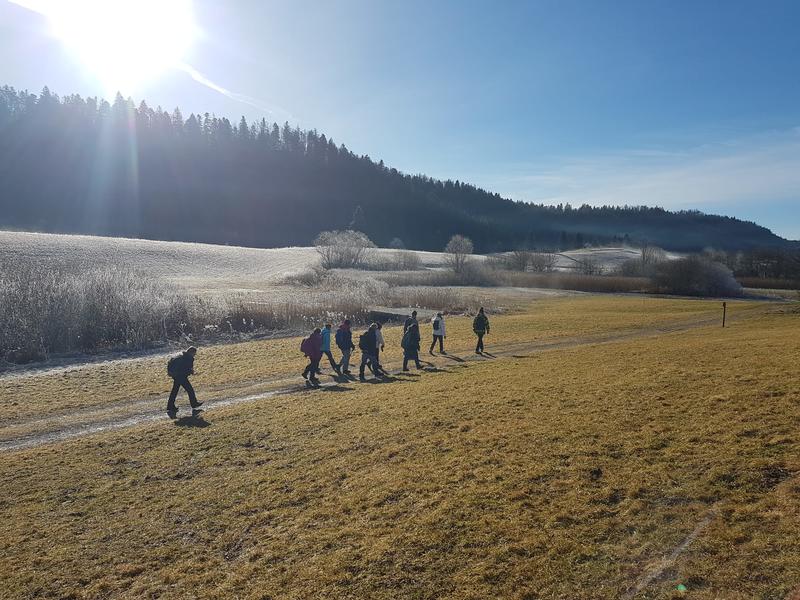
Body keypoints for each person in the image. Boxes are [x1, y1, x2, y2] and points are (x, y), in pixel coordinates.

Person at [166, 346, 202, 416]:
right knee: (190, 390)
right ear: (191, 352)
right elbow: (187, 368)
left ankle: (170, 406)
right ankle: (194, 404)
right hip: (180, 376)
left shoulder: (179, 355)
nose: (194, 355)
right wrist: (191, 372)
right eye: (194, 354)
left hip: (175, 375)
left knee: (175, 391)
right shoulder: (188, 358)